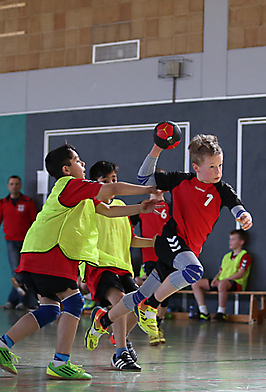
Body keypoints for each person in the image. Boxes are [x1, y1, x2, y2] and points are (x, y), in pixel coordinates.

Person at [0, 144, 158, 380]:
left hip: (36, 254)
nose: (83, 164)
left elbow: (107, 211)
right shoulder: (69, 185)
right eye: (77, 160)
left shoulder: (81, 196)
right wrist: (150, 188)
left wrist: (140, 208)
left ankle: (1, 345)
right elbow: (112, 189)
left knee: (50, 310)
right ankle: (60, 362)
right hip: (50, 253)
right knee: (74, 302)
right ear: (66, 169)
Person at [85, 134, 253, 349]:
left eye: (220, 165)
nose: (218, 171)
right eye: (212, 167)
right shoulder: (180, 180)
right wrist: (157, 147)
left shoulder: (222, 190)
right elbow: (144, 177)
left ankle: (102, 321)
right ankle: (150, 306)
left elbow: (237, 206)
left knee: (139, 294)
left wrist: (243, 216)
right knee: (194, 271)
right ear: (196, 167)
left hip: (186, 250)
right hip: (171, 239)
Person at [82, 160, 155, 371]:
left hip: (122, 266)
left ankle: (108, 325)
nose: (111, 185)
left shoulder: (122, 207)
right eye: (105, 181)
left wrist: (155, 243)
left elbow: (131, 240)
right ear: (94, 183)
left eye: (114, 180)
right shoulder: (89, 205)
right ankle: (121, 352)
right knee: (120, 301)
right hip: (99, 265)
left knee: (138, 308)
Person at [0, 175, 38, 310]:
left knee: (23, 272)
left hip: (26, 242)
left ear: (20, 185)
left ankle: (13, 300)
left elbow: (35, 223)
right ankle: (19, 301)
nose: (14, 186)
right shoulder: (3, 203)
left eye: (17, 184)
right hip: (11, 241)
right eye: (12, 184)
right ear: (8, 186)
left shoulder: (28, 202)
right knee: (16, 272)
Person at [190, 229, 252, 321]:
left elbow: (240, 273)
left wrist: (223, 280)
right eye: (230, 239)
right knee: (196, 283)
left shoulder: (244, 255)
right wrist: (215, 280)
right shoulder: (226, 256)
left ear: (241, 242)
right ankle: (204, 312)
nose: (230, 242)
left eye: (233, 239)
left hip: (236, 283)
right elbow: (220, 272)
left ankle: (221, 313)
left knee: (222, 284)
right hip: (221, 282)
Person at [135, 186, 170, 345]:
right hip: (149, 255)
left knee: (167, 292)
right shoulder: (141, 206)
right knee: (155, 289)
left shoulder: (171, 206)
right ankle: (152, 329)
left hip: (169, 255)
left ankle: (157, 324)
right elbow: (127, 226)